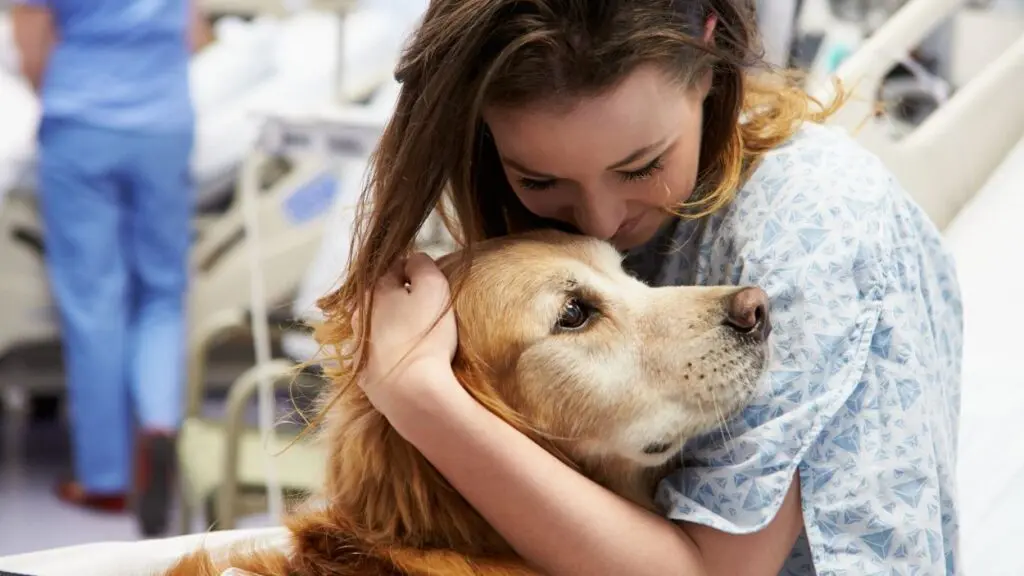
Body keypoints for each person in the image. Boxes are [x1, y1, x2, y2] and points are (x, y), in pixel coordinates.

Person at [318, 0, 963, 574]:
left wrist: (418, 392)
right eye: (541, 181)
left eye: (643, 165)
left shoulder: (815, 223)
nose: (598, 220)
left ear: (709, 64)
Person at [11, 0, 211, 536]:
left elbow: (30, 49)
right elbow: (194, 34)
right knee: (163, 293)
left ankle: (106, 480)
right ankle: (159, 425)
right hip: (165, 125)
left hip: (82, 120)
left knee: (94, 300)